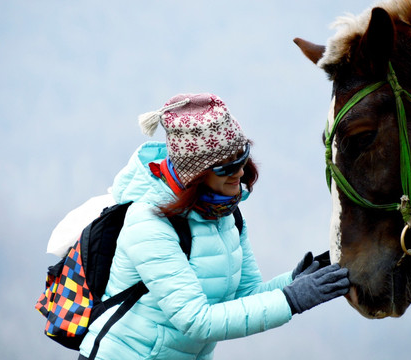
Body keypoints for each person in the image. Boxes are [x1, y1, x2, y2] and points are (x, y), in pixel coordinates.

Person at [78, 93, 350, 359]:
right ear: (194, 173)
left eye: (242, 159)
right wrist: (291, 300)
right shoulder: (149, 222)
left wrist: (295, 280)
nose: (241, 172)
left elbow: (247, 295)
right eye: (228, 167)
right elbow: (196, 320)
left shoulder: (225, 214)